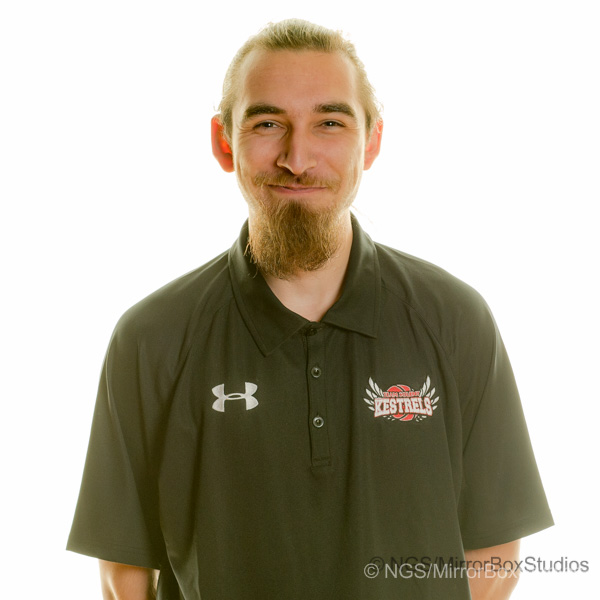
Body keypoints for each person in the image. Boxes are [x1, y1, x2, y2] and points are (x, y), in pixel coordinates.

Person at [67, 18, 553, 600]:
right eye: (268, 123)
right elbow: (123, 573)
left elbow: (494, 552)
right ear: (224, 142)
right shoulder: (153, 337)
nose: (297, 158)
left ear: (371, 142)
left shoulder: (455, 321)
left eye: (330, 122)